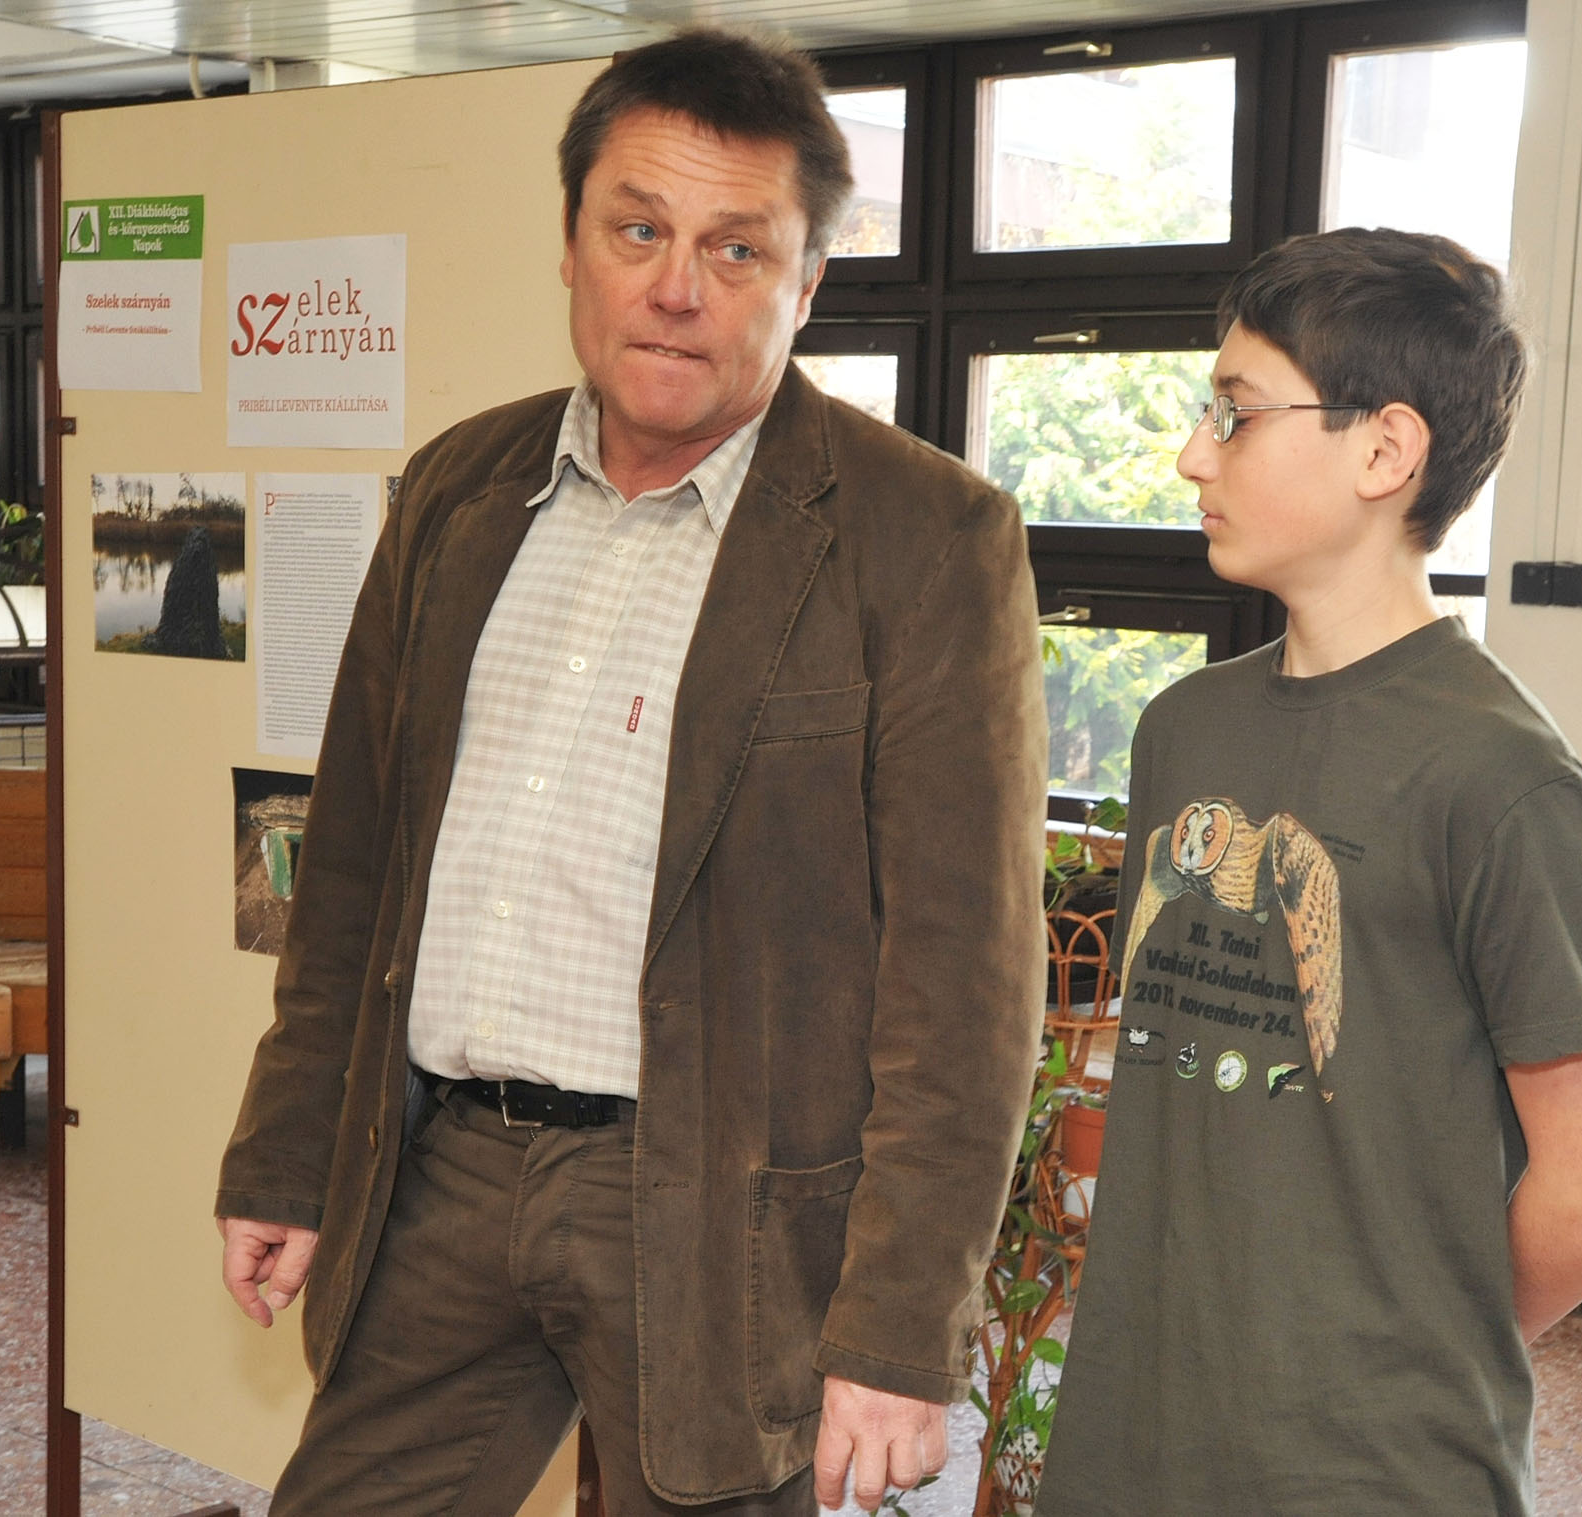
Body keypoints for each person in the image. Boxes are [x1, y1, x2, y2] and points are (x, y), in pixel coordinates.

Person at [213, 29, 1047, 1517]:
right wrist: (286, 1154)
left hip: (716, 1211)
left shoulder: (924, 538)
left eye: (738, 249)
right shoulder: (457, 491)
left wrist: (898, 1328)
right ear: (572, 243)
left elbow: (963, 984)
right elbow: (349, 871)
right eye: (639, 230)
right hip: (447, 1167)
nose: (676, 287)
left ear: (807, 281)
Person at [1035, 228, 1582, 1516]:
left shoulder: (1507, 781)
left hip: (1372, 1471)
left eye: (1238, 413)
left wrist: (1403, 1353)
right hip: (1134, 1432)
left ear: (1385, 451)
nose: (1193, 454)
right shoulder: (1184, 730)